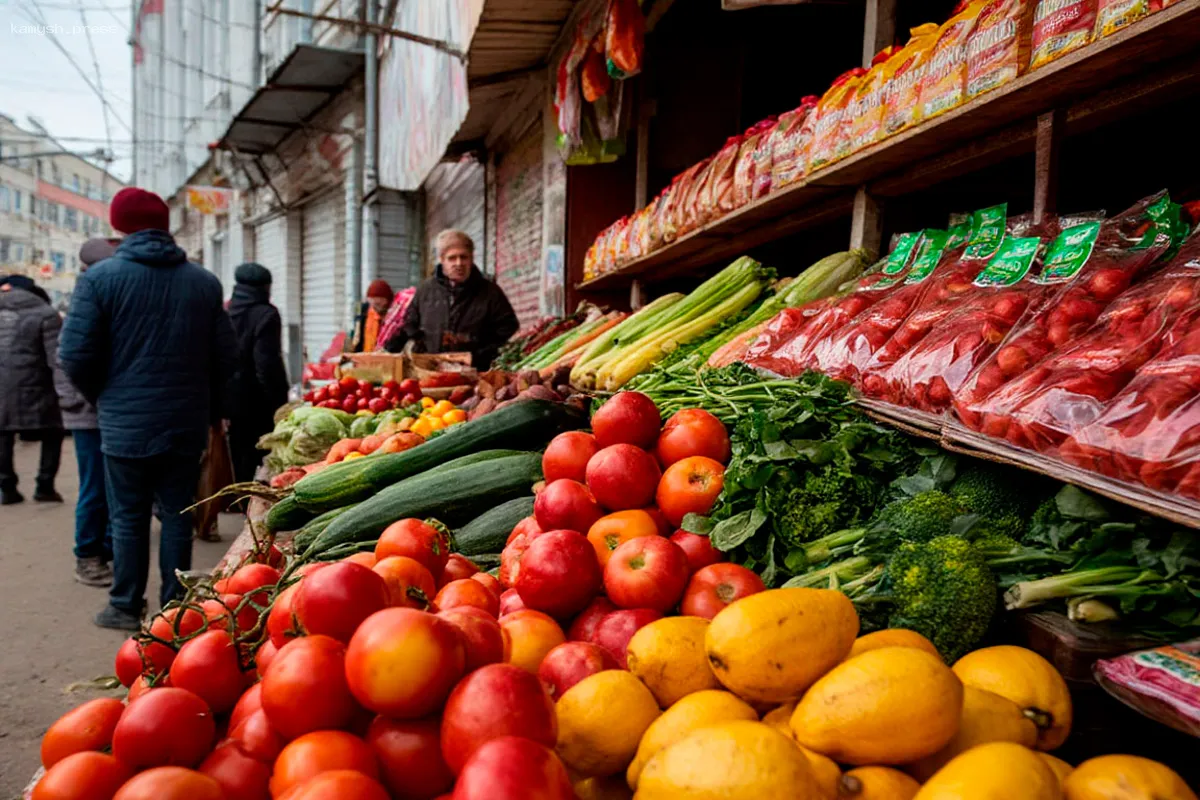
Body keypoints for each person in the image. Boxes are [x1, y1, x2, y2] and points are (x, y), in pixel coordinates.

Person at [58, 186, 237, 631]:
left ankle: (124, 605)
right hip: (184, 423)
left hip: (124, 425)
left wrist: (104, 394)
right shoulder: (204, 282)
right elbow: (226, 359)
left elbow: (74, 355)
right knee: (178, 515)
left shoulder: (99, 279)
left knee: (128, 517)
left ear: (118, 225)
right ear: (165, 224)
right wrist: (212, 410)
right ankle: (175, 610)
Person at [54, 238, 122, 587]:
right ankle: (87, 555)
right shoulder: (87, 296)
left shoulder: (106, 295)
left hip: (109, 409)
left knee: (111, 486)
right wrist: (85, 400)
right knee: (94, 486)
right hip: (89, 414)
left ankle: (106, 548)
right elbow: (66, 360)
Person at [383, 229, 519, 368]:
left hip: (474, 372)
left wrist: (480, 353)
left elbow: (508, 327)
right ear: (442, 260)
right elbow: (409, 324)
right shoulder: (425, 290)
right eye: (452, 258)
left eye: (463, 257)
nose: (458, 263)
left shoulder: (490, 292)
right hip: (431, 369)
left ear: (471, 258)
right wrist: (389, 350)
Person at [0, 274, 65, 505]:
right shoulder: (46, 313)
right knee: (53, 432)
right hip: (38, 386)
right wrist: (65, 391)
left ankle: (6, 487)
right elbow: (56, 358)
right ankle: (45, 486)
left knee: (3, 434)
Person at [226, 262, 289, 483]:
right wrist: (280, 403)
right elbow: (267, 364)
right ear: (265, 287)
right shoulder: (267, 315)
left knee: (236, 450)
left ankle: (236, 497)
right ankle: (253, 504)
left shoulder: (226, 310)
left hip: (229, 398)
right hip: (257, 401)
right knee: (263, 452)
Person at [351, 279, 394, 352]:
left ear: (387, 301)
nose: (375, 308)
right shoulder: (364, 308)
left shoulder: (395, 315)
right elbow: (356, 307)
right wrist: (357, 322)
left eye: (378, 304)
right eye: (372, 304)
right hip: (364, 355)